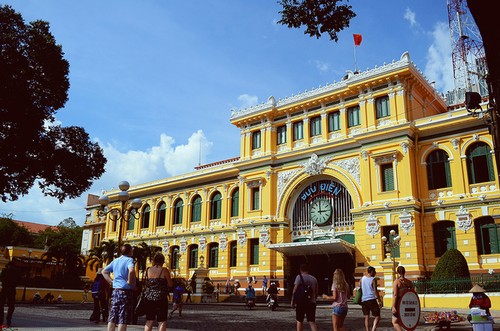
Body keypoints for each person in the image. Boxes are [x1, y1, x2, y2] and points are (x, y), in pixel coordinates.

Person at [102, 243, 136, 331]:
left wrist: (111, 282)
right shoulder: (129, 260)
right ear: (129, 251)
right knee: (123, 317)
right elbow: (131, 271)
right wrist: (130, 281)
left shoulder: (116, 260)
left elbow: (104, 271)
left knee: (112, 316)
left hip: (116, 290)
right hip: (125, 291)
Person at [143, 252, 173, 331]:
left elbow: (146, 283)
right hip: (161, 298)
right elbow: (170, 284)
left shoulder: (148, 270)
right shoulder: (164, 270)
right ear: (162, 261)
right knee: (162, 321)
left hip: (149, 298)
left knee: (149, 320)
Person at [291, 263, 319, 331]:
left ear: (300, 270)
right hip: (311, 302)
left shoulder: (299, 277)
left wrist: (292, 300)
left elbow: (295, 290)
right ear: (308, 270)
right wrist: (313, 298)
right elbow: (316, 292)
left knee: (299, 320)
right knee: (312, 321)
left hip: (301, 302)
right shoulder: (314, 279)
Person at [392, 266, 414, 331]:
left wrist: (393, 306)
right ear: (404, 272)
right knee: (404, 321)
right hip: (406, 302)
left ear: (397, 272)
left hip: (398, 302)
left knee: (395, 322)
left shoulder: (396, 282)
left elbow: (395, 295)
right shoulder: (409, 282)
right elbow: (412, 293)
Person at [360, 266, 383, 331]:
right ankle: (373, 329)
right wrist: (379, 300)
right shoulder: (373, 280)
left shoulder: (362, 278)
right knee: (377, 316)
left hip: (364, 299)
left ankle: (368, 330)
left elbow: (361, 288)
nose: (375, 273)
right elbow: (375, 291)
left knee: (366, 316)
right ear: (372, 272)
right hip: (371, 299)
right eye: (374, 272)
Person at [0, 262, 18, 327]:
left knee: (1, 305)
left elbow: (1, 278)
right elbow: (18, 281)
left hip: (4, 289)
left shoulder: (4, 270)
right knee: (11, 306)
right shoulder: (16, 272)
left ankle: (1, 321)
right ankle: (8, 321)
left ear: (8, 266)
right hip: (12, 290)